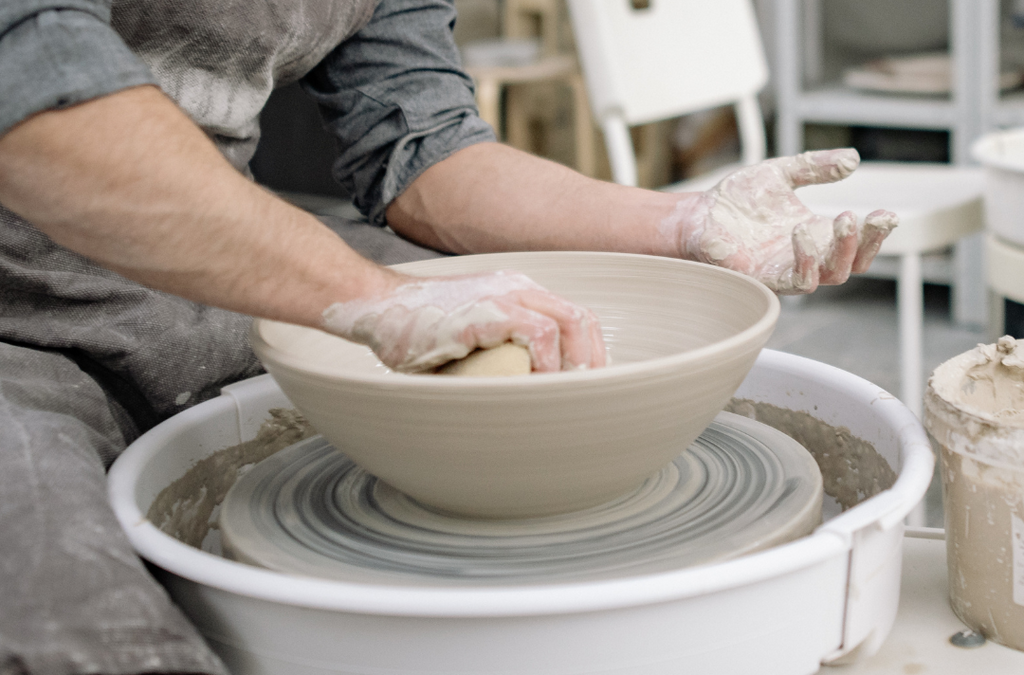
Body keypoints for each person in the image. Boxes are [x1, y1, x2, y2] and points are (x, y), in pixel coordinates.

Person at [0, 0, 897, 673]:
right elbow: (32, 98)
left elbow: (423, 148)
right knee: (89, 639)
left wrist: (680, 226)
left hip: (215, 267)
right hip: (20, 315)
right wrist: (369, 297)